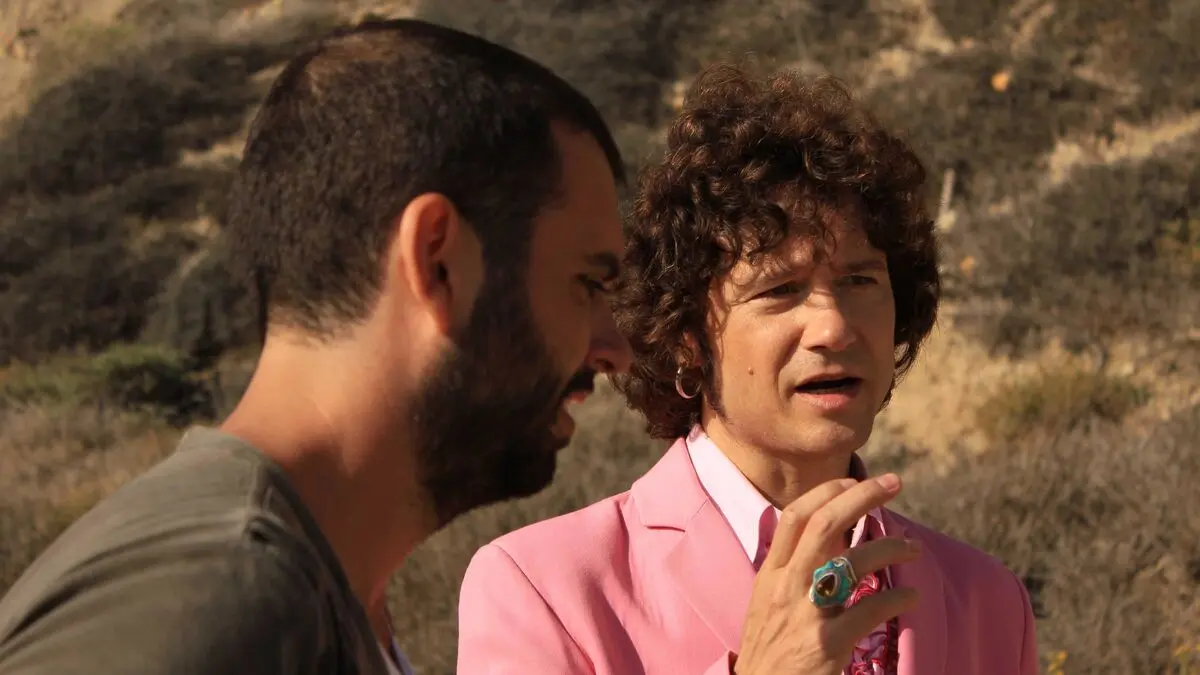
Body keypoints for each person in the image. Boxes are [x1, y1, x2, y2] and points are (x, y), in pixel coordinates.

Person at [0, 17, 632, 675]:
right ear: (437, 259)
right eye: (586, 283)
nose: (615, 350)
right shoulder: (225, 602)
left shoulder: (301, 590)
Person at [456, 63, 1039, 675]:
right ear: (687, 336)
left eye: (861, 281)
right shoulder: (542, 591)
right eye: (779, 290)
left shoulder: (988, 600)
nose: (834, 326)